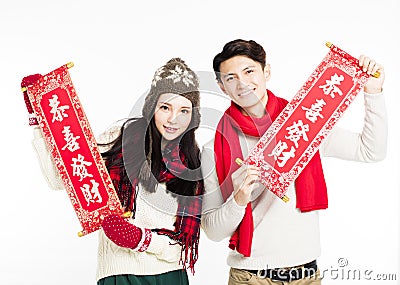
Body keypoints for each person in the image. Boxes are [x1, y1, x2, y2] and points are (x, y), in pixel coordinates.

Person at [200, 39, 387, 285]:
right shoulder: (214, 149)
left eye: (249, 71)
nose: (242, 83)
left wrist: (373, 92)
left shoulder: (305, 123)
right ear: (222, 86)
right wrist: (239, 198)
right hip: (250, 277)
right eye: (231, 78)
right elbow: (213, 231)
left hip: (306, 276)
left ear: (266, 71)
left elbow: (370, 150)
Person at [22, 58, 204, 285]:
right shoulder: (120, 138)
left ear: (193, 116)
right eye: (165, 107)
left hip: (169, 276)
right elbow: (61, 177)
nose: (173, 119)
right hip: (117, 274)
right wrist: (41, 121)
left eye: (184, 110)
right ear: (152, 107)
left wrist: (141, 239)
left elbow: (183, 246)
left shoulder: (193, 165)